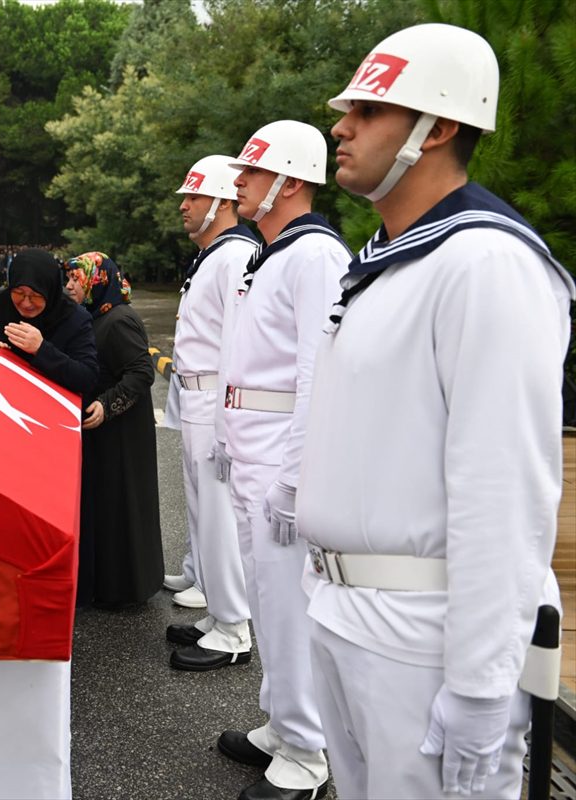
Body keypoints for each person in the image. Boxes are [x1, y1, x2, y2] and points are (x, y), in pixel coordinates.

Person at [296, 24, 575, 799]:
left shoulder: (487, 263)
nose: (340, 128)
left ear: (438, 127)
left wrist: (483, 687)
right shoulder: (390, 263)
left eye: (368, 110)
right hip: (345, 614)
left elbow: (504, 490)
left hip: (422, 636)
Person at [216, 120, 351, 800]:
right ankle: (282, 718)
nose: (236, 181)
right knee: (267, 598)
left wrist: (297, 478)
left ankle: (307, 752)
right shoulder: (272, 253)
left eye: (251, 170)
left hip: (279, 457)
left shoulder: (314, 256)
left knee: (290, 607)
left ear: (291, 181)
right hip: (252, 450)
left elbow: (314, 374)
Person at [164, 156, 259, 672]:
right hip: (197, 395)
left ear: (222, 202)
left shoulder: (236, 255)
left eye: (194, 197)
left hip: (214, 398)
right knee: (204, 512)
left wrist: (227, 422)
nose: (184, 205)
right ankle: (217, 611)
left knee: (220, 517)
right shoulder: (216, 255)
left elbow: (235, 347)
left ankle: (233, 627)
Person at [63, 251, 162, 607]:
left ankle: (127, 589)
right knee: (107, 507)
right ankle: (108, 585)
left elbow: (141, 372)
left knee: (123, 505)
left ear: (98, 280)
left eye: (77, 279)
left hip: (122, 431)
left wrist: (107, 404)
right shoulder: (93, 316)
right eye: (70, 279)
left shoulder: (119, 320)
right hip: (104, 430)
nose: (70, 285)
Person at [0, 248, 98, 397]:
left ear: (50, 290)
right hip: (4, 401)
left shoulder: (75, 317)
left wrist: (41, 349)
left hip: (49, 405)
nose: (26, 303)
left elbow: (88, 378)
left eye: (36, 295)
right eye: (19, 293)